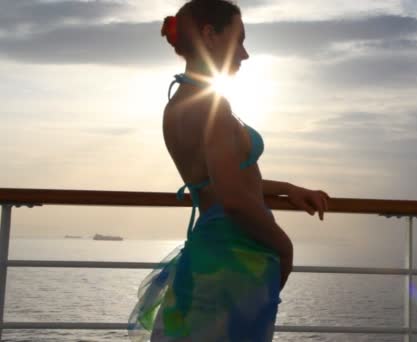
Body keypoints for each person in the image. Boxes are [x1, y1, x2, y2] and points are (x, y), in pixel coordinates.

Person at [128, 0, 330, 341]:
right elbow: (234, 197)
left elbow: (221, 180)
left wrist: (288, 189)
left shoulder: (179, 103)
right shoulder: (212, 107)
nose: (245, 54)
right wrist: (283, 246)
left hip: (211, 254)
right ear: (210, 35)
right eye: (239, 40)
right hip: (235, 257)